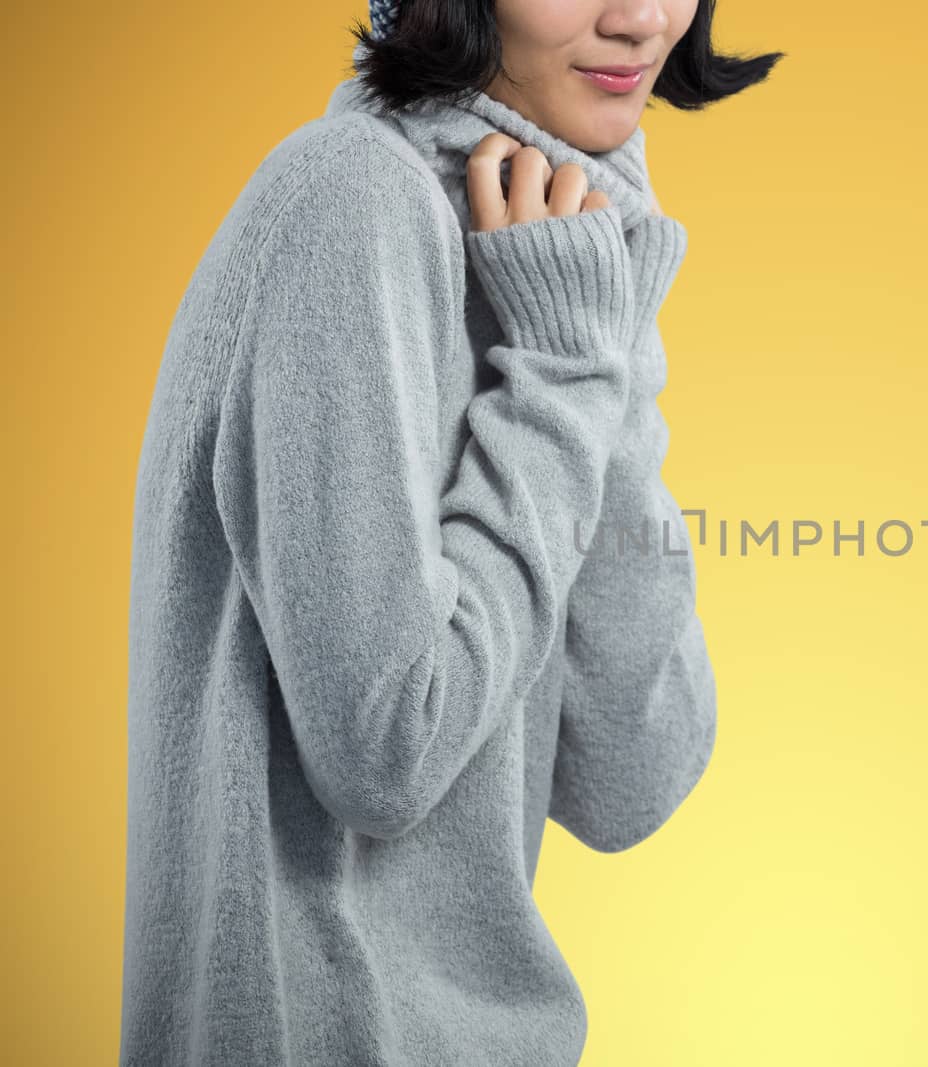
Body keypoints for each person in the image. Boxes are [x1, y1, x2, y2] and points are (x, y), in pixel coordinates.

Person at [119, 2, 781, 1063]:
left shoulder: (548, 242)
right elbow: (385, 750)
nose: (642, 17)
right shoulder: (352, 199)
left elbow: (632, 776)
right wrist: (567, 371)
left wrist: (602, 346)